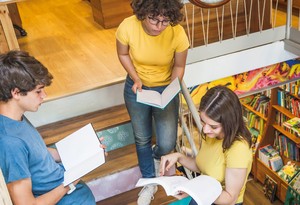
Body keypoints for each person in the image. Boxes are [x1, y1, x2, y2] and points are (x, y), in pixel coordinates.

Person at [0, 50, 104, 205]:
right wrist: (71, 182)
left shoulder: (16, 116)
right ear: (16, 93)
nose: (44, 95)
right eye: (38, 91)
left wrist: (83, 153)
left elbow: (35, 154)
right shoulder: (10, 142)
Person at [116, 0, 190, 204]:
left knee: (166, 142)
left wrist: (171, 88)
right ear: (143, 13)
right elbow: (123, 54)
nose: (159, 26)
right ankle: (149, 180)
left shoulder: (177, 33)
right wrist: (136, 78)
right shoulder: (127, 26)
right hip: (137, 88)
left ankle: (157, 157)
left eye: (165, 21)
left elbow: (179, 66)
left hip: (166, 88)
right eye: (154, 20)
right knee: (142, 138)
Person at [160, 85, 253, 205]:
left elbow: (230, 198)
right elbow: (203, 166)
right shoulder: (212, 135)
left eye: (213, 126)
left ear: (229, 123)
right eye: (203, 122)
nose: (204, 130)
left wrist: (193, 192)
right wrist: (178, 157)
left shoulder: (238, 149)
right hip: (204, 195)